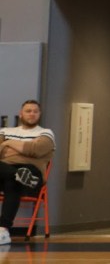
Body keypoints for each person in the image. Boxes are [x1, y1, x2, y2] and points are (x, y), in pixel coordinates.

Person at [0, 100, 55, 246]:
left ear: (39, 114)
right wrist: (25, 149)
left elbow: (35, 150)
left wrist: (7, 143)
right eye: (28, 111)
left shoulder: (46, 133)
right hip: (6, 172)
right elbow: (29, 150)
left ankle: (2, 230)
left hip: (32, 175)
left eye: (35, 111)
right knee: (15, 176)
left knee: (13, 182)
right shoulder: (5, 131)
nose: (32, 114)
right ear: (21, 114)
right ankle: (18, 174)